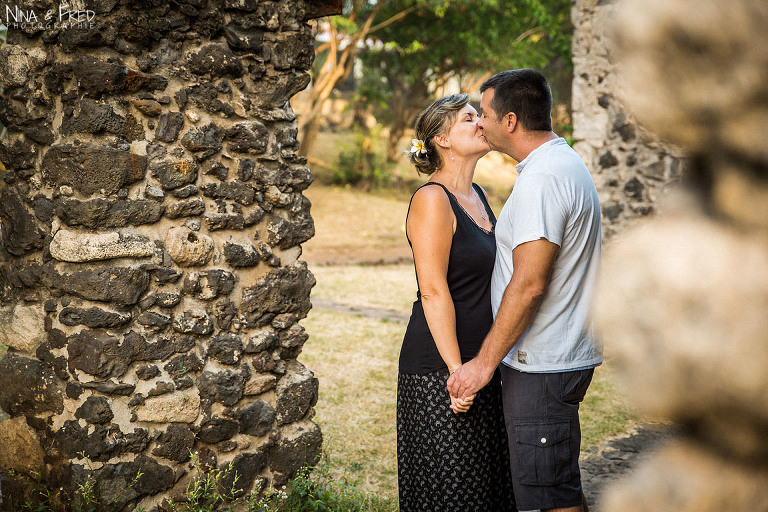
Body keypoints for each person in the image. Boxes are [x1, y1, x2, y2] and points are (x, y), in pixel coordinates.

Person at [448, 69, 603, 512]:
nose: (481, 124)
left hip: (543, 363)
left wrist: (482, 364)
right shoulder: (560, 163)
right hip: (554, 358)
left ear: (511, 121)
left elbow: (530, 284)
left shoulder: (542, 180)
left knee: (549, 495)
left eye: (487, 116)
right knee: (552, 485)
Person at [397, 93, 515, 512]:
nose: (481, 122)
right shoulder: (432, 200)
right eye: (469, 118)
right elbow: (433, 291)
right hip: (441, 368)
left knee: (488, 486)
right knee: (454, 491)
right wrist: (456, 373)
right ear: (442, 139)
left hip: (482, 362)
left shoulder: (479, 195)